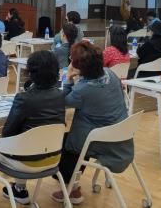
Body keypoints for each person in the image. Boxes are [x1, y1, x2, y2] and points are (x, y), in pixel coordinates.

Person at [0, 51, 65, 208]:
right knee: (26, 141)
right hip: (52, 158)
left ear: (31, 72)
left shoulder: (24, 98)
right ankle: (19, 190)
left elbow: (7, 132)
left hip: (24, 162)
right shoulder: (61, 96)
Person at [52, 41, 132, 204]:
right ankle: (73, 184)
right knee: (77, 136)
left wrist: (69, 79)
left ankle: (71, 188)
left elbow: (64, 101)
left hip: (102, 141)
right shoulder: (110, 74)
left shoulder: (84, 90)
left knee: (66, 143)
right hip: (122, 137)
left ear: (78, 66)